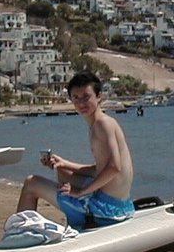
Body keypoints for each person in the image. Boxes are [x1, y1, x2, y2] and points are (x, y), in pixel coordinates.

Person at [16, 72, 135, 229]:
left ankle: (19, 232)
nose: (81, 103)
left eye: (86, 97)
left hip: (105, 211)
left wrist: (81, 192)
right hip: (121, 206)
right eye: (76, 98)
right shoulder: (101, 123)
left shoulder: (102, 125)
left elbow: (114, 167)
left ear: (99, 96)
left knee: (31, 183)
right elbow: (101, 169)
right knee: (63, 172)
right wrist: (64, 163)